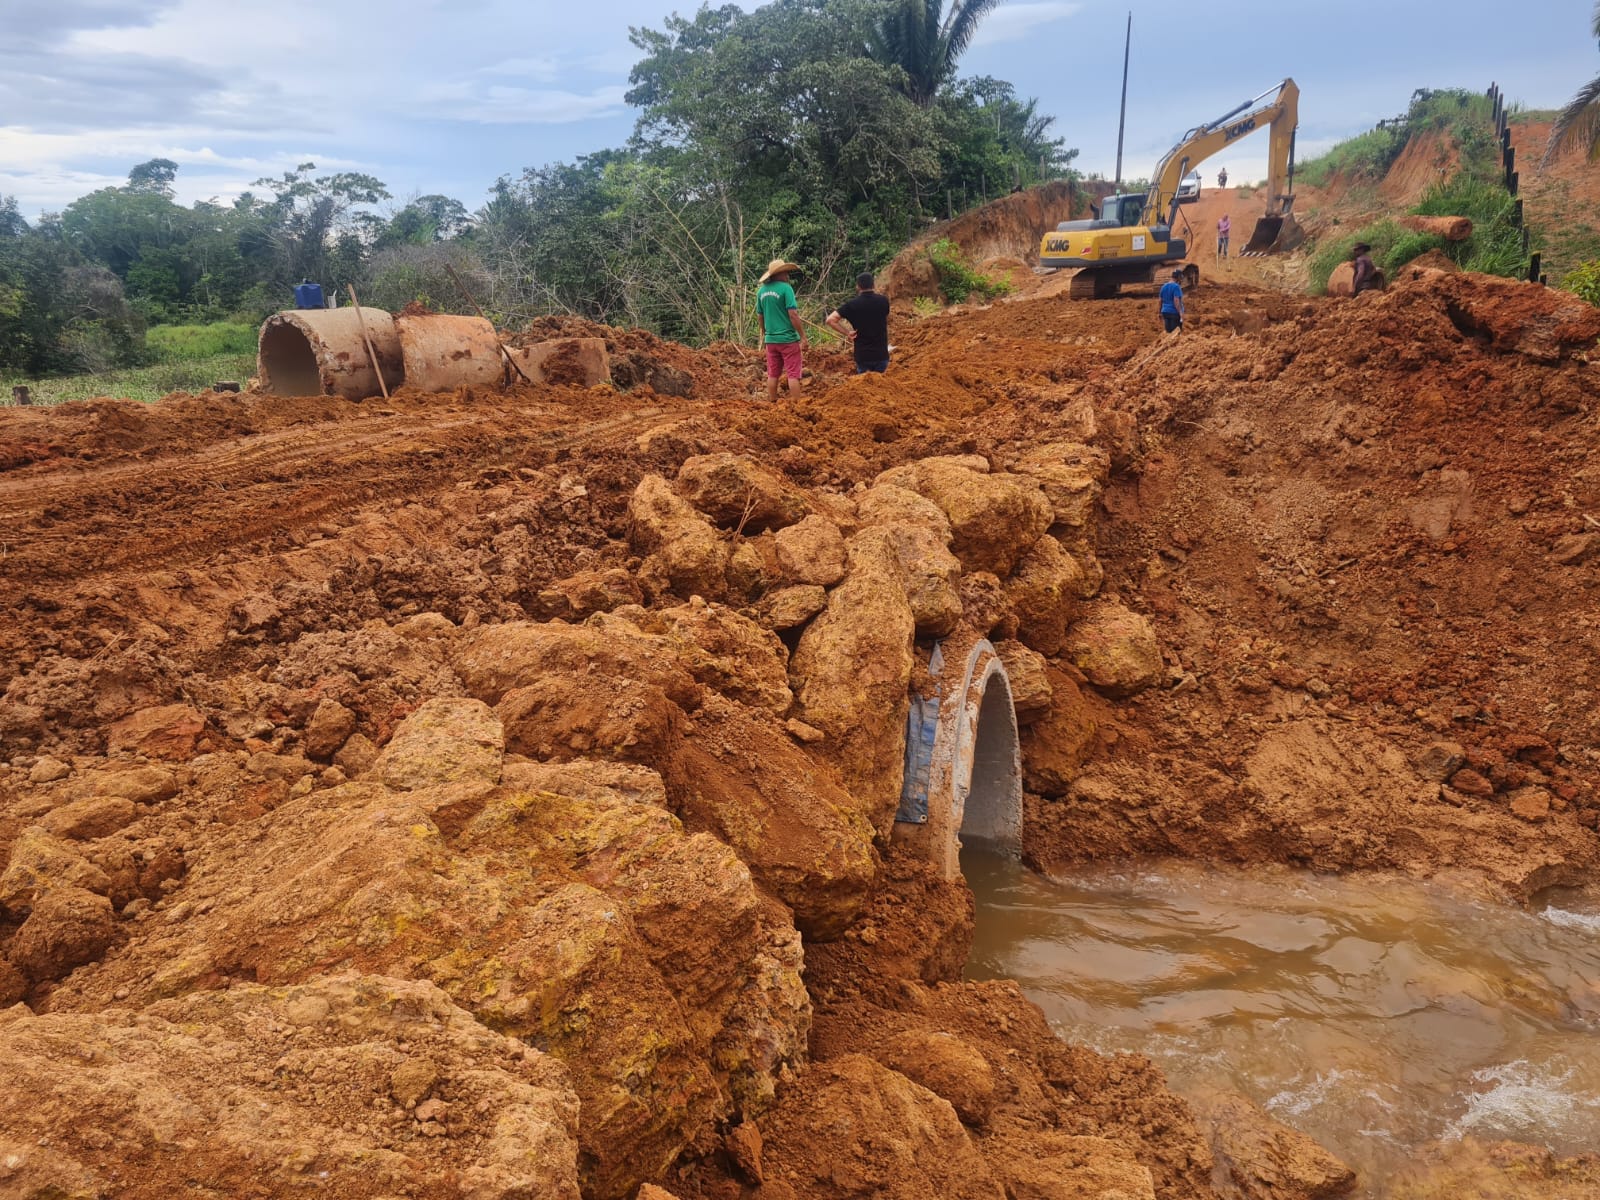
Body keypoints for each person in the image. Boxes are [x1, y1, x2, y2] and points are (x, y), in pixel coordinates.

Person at [756, 258, 807, 400]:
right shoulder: (786, 289)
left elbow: (760, 316)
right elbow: (793, 314)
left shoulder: (761, 292)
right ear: (778, 274)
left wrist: (765, 332)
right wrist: (802, 336)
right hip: (788, 339)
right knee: (793, 374)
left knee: (773, 374)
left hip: (771, 340)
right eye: (785, 272)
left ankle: (773, 402)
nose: (787, 275)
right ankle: (797, 406)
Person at [826, 272, 891, 374]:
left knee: (863, 387)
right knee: (882, 387)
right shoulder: (883, 301)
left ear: (858, 286)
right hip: (881, 354)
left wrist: (847, 332)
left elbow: (830, 320)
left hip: (863, 355)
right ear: (873, 285)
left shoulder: (852, 305)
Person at [1159, 268, 1185, 334]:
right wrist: (1180, 313)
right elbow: (1176, 301)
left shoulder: (1164, 286)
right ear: (1178, 277)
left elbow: (1160, 300)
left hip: (1165, 312)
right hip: (1174, 313)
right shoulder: (1176, 287)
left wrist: (1160, 312)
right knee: (1176, 333)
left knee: (1168, 333)